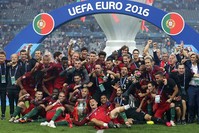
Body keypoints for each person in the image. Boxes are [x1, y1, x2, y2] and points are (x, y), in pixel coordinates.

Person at [0, 51, 8, 120]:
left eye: (2, 56)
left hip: (4, 86)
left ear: (5, 57)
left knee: (3, 100)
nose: (1, 58)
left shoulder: (8, 64)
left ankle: (3, 114)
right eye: (0, 56)